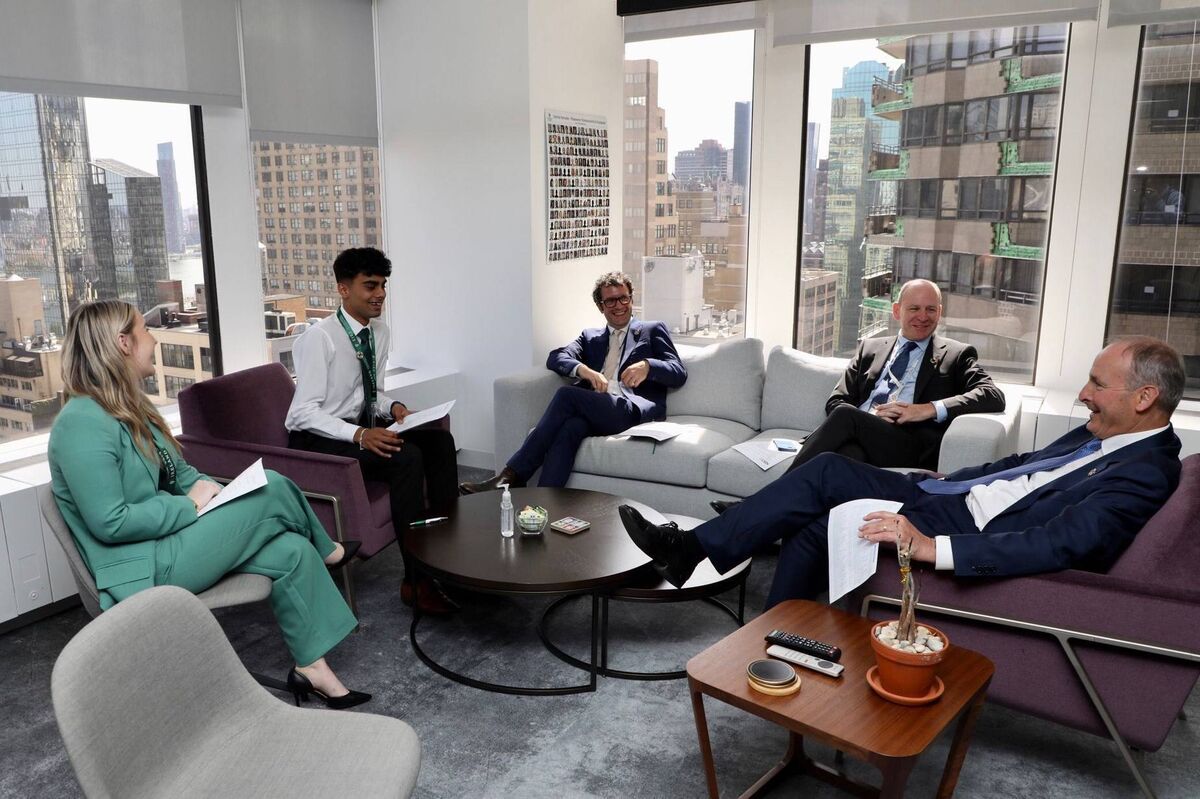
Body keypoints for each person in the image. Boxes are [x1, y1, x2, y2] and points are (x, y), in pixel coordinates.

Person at [621, 337, 1183, 609]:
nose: (1083, 395)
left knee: (818, 513)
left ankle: (707, 561)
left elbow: (1061, 543)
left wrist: (935, 548)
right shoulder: (1103, 434)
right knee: (827, 476)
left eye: (1097, 385)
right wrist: (940, 479)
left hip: (962, 528)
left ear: (1145, 397)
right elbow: (1017, 468)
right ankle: (729, 582)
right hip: (947, 493)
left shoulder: (1145, 471)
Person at [49, 300, 369, 709]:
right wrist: (189, 506)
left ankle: (313, 667)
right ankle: (333, 551)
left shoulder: (131, 408)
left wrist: (206, 489)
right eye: (143, 331)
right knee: (271, 486)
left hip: (171, 540)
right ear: (123, 343)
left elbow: (178, 472)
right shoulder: (81, 423)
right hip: (143, 565)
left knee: (290, 549)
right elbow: (110, 522)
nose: (153, 339)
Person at [711, 279, 1004, 515]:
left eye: (931, 309)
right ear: (896, 310)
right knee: (831, 462)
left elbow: (992, 394)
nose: (923, 317)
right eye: (914, 308)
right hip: (861, 439)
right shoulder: (870, 348)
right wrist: (871, 417)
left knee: (845, 418)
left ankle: (753, 507)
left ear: (940, 312)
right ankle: (792, 534)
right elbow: (837, 400)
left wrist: (927, 409)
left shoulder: (955, 354)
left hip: (907, 443)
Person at [287, 247, 460, 615]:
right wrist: (361, 436)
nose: (380, 294)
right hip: (320, 439)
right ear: (343, 289)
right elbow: (302, 413)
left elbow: (372, 391)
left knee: (440, 442)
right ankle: (416, 580)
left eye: (383, 285)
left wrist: (391, 407)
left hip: (359, 428)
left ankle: (449, 556)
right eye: (370, 286)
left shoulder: (379, 332)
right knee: (407, 457)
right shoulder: (321, 338)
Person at [460, 271, 687, 493]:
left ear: (631, 298)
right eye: (610, 301)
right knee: (570, 428)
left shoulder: (652, 330)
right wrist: (585, 370)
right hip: (597, 407)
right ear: (600, 306)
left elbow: (678, 372)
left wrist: (648, 365)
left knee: (567, 395)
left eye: (623, 298)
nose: (619, 305)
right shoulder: (590, 337)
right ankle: (542, 507)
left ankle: (511, 475)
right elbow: (555, 357)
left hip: (630, 408)